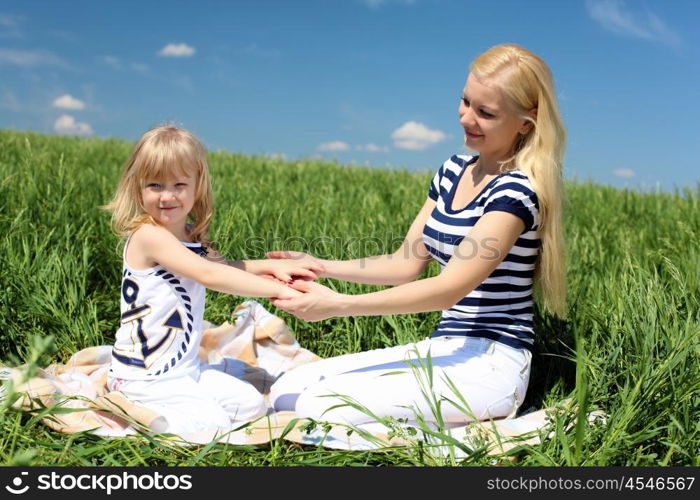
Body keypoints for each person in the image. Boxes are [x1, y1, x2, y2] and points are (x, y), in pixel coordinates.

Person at [268, 43, 566, 428]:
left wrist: (338, 304)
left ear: (527, 123)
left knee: (318, 406)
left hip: (493, 364)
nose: (466, 118)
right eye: (465, 102)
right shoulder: (454, 169)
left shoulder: (516, 192)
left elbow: (449, 289)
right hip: (444, 348)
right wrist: (319, 266)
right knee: (287, 390)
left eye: (486, 113)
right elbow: (405, 262)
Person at [102, 125, 322, 440]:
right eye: (154, 185)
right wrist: (279, 290)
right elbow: (210, 275)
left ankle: (172, 412)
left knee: (250, 406)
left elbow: (222, 267)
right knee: (214, 427)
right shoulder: (148, 235)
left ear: (197, 187)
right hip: (145, 377)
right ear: (137, 188)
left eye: (179, 184)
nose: (167, 196)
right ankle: (133, 406)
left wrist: (270, 267)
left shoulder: (190, 235)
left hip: (187, 369)